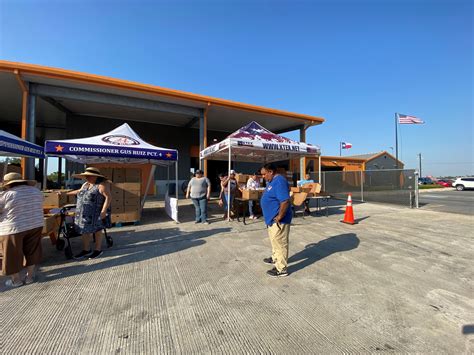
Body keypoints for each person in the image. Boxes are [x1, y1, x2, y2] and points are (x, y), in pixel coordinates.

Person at [0, 173, 43, 287]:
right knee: (32, 251)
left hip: (13, 227)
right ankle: (30, 277)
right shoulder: (36, 191)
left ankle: (16, 280)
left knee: (12, 254)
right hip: (35, 224)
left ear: (8, 184)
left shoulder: (6, 194)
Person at [66, 167, 111, 260]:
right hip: (82, 213)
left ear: (95, 177)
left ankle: (98, 250)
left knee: (97, 230)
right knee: (84, 231)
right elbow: (79, 191)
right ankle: (86, 250)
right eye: (86, 176)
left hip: (95, 213)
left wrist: (103, 211)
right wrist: (66, 194)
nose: (87, 177)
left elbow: (108, 198)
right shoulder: (86, 184)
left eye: (89, 176)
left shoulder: (101, 185)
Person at [260, 163, 292, 277]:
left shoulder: (279, 181)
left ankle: (281, 268)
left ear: (271, 172)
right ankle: (275, 258)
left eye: (264, 174)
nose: (263, 176)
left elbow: (284, 201)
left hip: (279, 221)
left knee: (280, 244)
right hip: (271, 220)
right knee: (275, 242)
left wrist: (279, 217)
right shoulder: (272, 181)